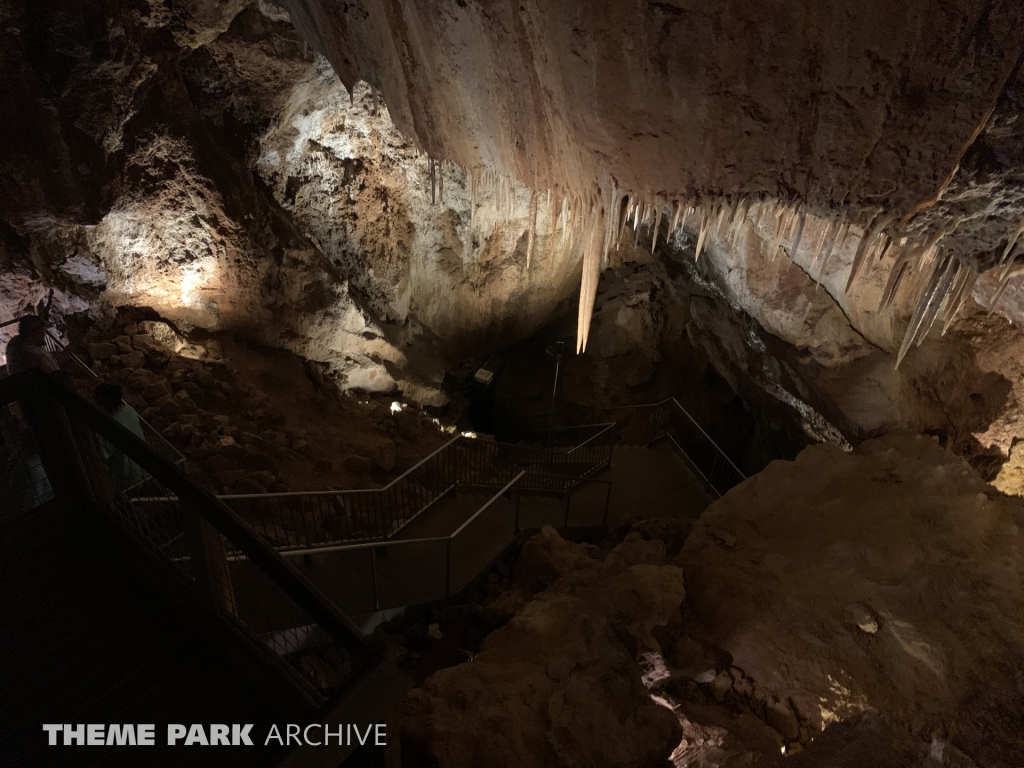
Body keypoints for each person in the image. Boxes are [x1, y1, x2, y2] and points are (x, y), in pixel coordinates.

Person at [94, 383, 149, 489]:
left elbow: (105, 455)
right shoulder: (130, 410)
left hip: (126, 476)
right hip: (144, 467)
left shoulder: (106, 426)